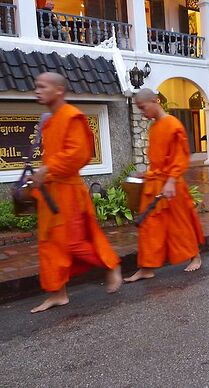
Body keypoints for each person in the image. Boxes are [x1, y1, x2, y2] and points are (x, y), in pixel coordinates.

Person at [29, 72, 122, 313]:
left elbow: (78, 154)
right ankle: (58, 293)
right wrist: (40, 175)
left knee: (72, 244)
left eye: (42, 86)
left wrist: (48, 169)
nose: (37, 90)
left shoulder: (73, 117)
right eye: (36, 87)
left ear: (59, 90)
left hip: (69, 194)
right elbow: (52, 157)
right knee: (50, 244)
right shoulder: (49, 121)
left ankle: (110, 264)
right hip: (51, 193)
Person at [124, 89, 204, 282]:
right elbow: (158, 159)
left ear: (155, 101)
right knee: (148, 226)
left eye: (143, 108)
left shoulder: (173, 124)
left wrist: (170, 181)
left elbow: (180, 157)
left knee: (179, 224)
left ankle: (195, 256)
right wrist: (145, 173)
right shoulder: (155, 127)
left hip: (172, 184)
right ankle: (147, 267)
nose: (142, 113)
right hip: (154, 183)